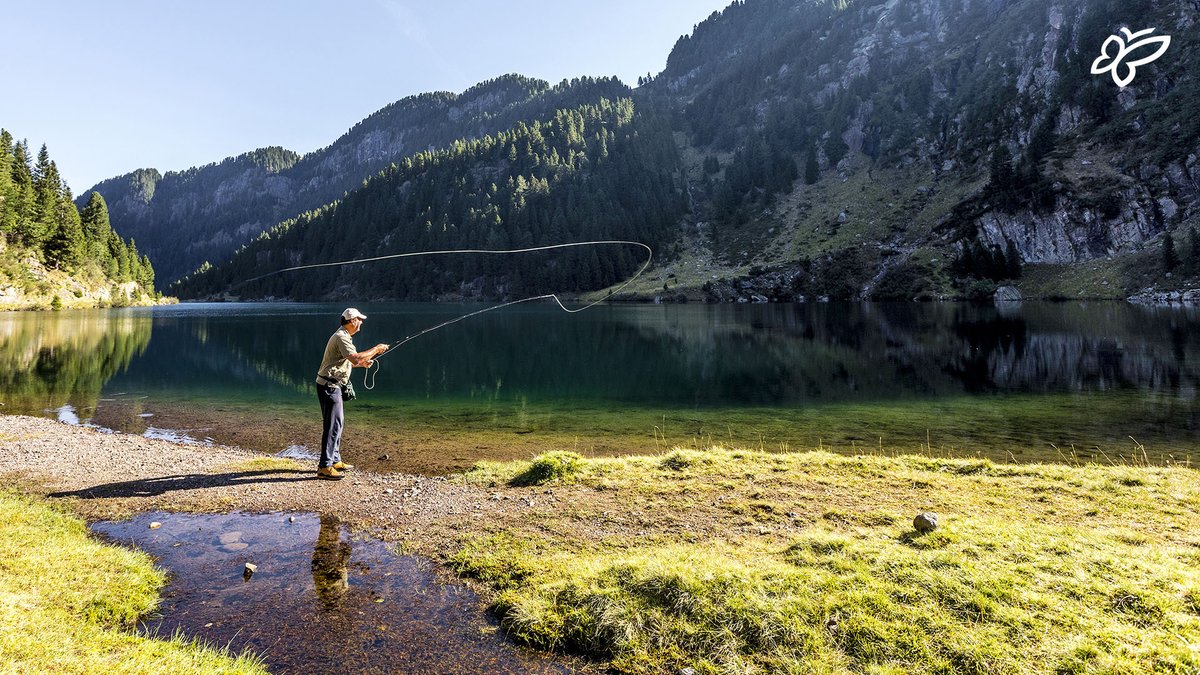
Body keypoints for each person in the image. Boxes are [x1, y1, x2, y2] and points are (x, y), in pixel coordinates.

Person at [314, 308, 388, 480]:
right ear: (352, 320)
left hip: (332, 385)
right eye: (359, 319)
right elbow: (354, 357)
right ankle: (324, 467)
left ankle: (335, 460)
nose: (361, 322)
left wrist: (361, 364)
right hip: (329, 386)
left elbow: (346, 361)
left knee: (337, 424)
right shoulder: (341, 337)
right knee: (332, 426)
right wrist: (376, 349)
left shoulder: (344, 336)